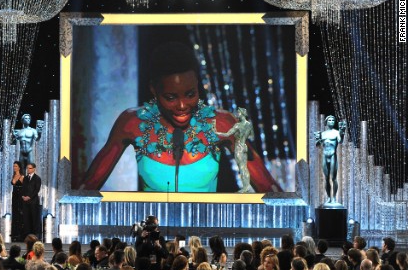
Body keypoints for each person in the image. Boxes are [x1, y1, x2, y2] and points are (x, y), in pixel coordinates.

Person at [80, 42, 280, 193]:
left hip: (205, 236)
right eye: (171, 97)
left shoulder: (221, 123)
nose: (183, 106)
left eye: (190, 94)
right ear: (154, 90)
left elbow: (269, 188)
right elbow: (85, 189)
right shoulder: (132, 123)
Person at [215, 107, 255, 192]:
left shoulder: (236, 125)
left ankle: (245, 188)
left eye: (239, 113)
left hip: (238, 147)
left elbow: (227, 134)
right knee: (244, 167)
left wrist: (217, 132)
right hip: (244, 146)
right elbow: (251, 136)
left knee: (242, 168)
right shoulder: (248, 124)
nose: (238, 115)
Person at [315, 115, 346, 204]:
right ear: (326, 122)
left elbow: (340, 141)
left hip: (332, 155)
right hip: (325, 156)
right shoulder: (323, 133)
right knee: (326, 177)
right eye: (330, 120)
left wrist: (342, 132)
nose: (332, 121)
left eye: (333, 120)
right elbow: (317, 145)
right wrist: (317, 140)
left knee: (333, 178)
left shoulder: (336, 132)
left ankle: (334, 197)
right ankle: (328, 197)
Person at [21, 163, 42, 240]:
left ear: (34, 169)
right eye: (27, 168)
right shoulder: (25, 178)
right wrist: (23, 196)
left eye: (30, 168)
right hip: (25, 202)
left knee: (34, 218)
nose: (28, 170)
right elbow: (23, 188)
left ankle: (35, 235)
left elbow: (37, 190)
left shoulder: (37, 178)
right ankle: (27, 235)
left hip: (33, 202)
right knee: (26, 218)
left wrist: (29, 197)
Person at [10, 161, 25, 242]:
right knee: (14, 212)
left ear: (19, 167)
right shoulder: (14, 175)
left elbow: (25, 187)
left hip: (20, 196)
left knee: (20, 213)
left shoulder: (22, 177)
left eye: (16, 166)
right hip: (14, 195)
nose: (14, 168)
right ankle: (14, 232)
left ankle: (20, 232)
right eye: (14, 166)